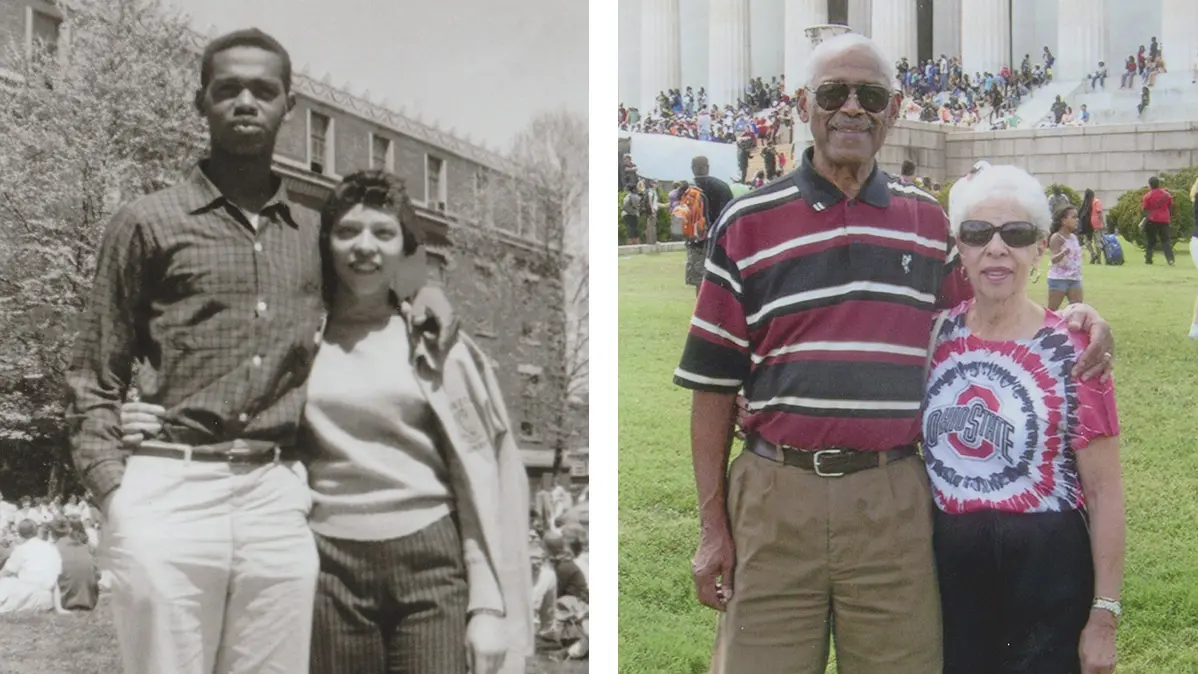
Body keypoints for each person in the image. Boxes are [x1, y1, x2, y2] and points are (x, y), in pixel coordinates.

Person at [674, 32, 1115, 674]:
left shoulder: (926, 222)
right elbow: (712, 386)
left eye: (870, 94)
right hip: (774, 496)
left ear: (893, 107)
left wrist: (1078, 320)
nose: (851, 107)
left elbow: (986, 317)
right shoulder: (746, 223)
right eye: (833, 93)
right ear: (804, 105)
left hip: (893, 502)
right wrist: (713, 526)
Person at [66, 29, 455, 674]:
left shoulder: (313, 231)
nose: (245, 101)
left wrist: (431, 287)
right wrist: (115, 492)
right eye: (228, 89)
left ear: (287, 108)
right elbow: (93, 375)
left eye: (263, 90)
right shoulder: (147, 222)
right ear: (201, 103)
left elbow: (381, 269)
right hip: (169, 484)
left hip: (275, 493)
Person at [119, 170, 532, 674]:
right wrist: (146, 415)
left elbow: (480, 485)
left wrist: (487, 605)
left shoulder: (436, 344)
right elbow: (226, 399)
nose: (365, 247)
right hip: (329, 561)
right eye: (348, 231)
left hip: (430, 560)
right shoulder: (294, 342)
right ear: (327, 244)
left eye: (383, 233)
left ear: (405, 247)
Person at [927, 163, 1123, 674]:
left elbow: (1104, 492)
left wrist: (1104, 616)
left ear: (1040, 248)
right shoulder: (931, 338)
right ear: (960, 248)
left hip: (1048, 572)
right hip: (947, 571)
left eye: (1015, 234)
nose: (996, 248)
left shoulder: (1076, 347)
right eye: (977, 233)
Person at [686, 156, 734, 294]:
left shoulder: (687, 189)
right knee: (720, 280)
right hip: (718, 241)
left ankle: (700, 311)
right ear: (707, 167)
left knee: (699, 283)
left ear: (692, 168)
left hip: (695, 242)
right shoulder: (722, 187)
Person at [0, 519, 66, 614]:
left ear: (20, 534)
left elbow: (4, 572)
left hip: (27, 595)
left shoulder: (21, 549)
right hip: (46, 599)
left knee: (7, 580)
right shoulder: (51, 548)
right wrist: (59, 608)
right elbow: (55, 581)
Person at [51, 517, 100, 611]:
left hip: (64, 602)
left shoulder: (52, 550)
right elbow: (97, 575)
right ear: (70, 530)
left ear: (52, 533)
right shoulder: (85, 548)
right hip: (90, 601)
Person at [1047, 204, 1084, 309]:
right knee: (1052, 311)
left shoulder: (1073, 237)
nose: (1077, 220)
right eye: (1073, 217)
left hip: (1074, 278)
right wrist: (1063, 252)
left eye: (1077, 217)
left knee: (1077, 310)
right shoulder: (1056, 237)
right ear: (1063, 221)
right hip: (1059, 279)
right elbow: (1053, 259)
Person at [1141, 176, 1175, 265]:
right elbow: (1171, 206)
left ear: (1150, 185)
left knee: (1151, 240)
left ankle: (1148, 259)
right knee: (1166, 241)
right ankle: (1170, 259)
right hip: (1164, 220)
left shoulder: (1147, 196)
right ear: (1159, 184)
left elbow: (1144, 209)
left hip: (1152, 220)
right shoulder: (1167, 195)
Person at [1078, 188, 1101, 263]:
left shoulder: (1085, 203)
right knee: (1097, 242)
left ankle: (1093, 254)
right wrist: (1102, 222)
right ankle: (1099, 259)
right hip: (1096, 225)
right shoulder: (1096, 201)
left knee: (1088, 242)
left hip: (1087, 227)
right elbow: (1099, 213)